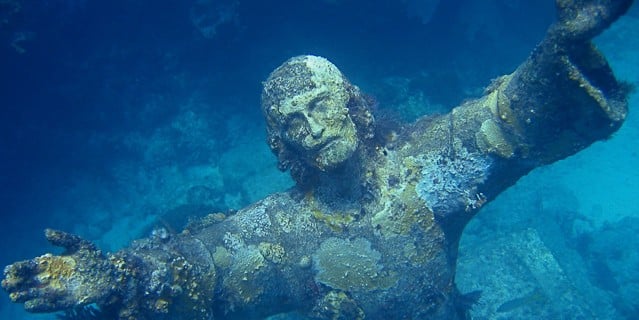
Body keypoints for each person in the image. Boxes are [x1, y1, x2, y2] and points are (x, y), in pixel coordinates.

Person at [2, 0, 633, 319]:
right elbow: (203, 264)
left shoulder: (421, 173)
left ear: (351, 103)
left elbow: (501, 121)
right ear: (282, 145)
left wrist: (561, 46)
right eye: (290, 124)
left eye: (319, 104)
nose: (311, 129)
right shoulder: (284, 233)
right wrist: (121, 281)